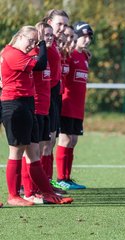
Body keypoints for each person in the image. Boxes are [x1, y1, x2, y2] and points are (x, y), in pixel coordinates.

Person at [0, 25, 73, 206]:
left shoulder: (19, 53)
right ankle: (14, 196)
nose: (31, 44)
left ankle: (47, 193)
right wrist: (41, 44)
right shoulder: (12, 53)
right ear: (19, 37)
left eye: (34, 41)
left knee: (33, 153)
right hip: (15, 105)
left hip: (27, 105)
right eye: (30, 40)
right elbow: (40, 64)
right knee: (16, 152)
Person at [54, 21, 93, 190]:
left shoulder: (84, 56)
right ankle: (60, 178)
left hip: (78, 106)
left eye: (89, 37)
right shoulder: (68, 55)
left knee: (73, 140)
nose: (86, 40)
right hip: (66, 104)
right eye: (83, 36)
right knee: (65, 139)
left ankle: (67, 178)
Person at [20, 22, 54, 204]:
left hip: (45, 108)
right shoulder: (34, 56)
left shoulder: (46, 55)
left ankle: (36, 188)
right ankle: (28, 190)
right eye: (45, 35)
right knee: (31, 151)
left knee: (39, 149)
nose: (48, 39)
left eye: (51, 35)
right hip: (34, 107)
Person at [41, 9, 70, 192]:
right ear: (49, 22)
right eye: (59, 23)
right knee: (41, 143)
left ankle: (47, 181)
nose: (62, 28)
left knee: (50, 141)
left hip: (54, 96)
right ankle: (30, 185)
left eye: (65, 24)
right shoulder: (42, 43)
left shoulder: (54, 45)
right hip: (45, 96)